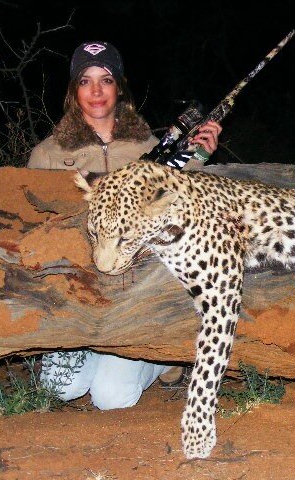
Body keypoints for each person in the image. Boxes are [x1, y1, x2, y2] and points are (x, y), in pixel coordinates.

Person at [28, 40, 222, 409]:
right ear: (73, 90)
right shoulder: (48, 154)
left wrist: (198, 157)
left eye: (106, 80)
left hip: (135, 292)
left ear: (120, 86)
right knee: (59, 388)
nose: (97, 91)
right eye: (85, 81)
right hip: (80, 294)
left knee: (112, 396)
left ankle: (163, 361)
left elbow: (182, 202)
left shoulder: (148, 147)